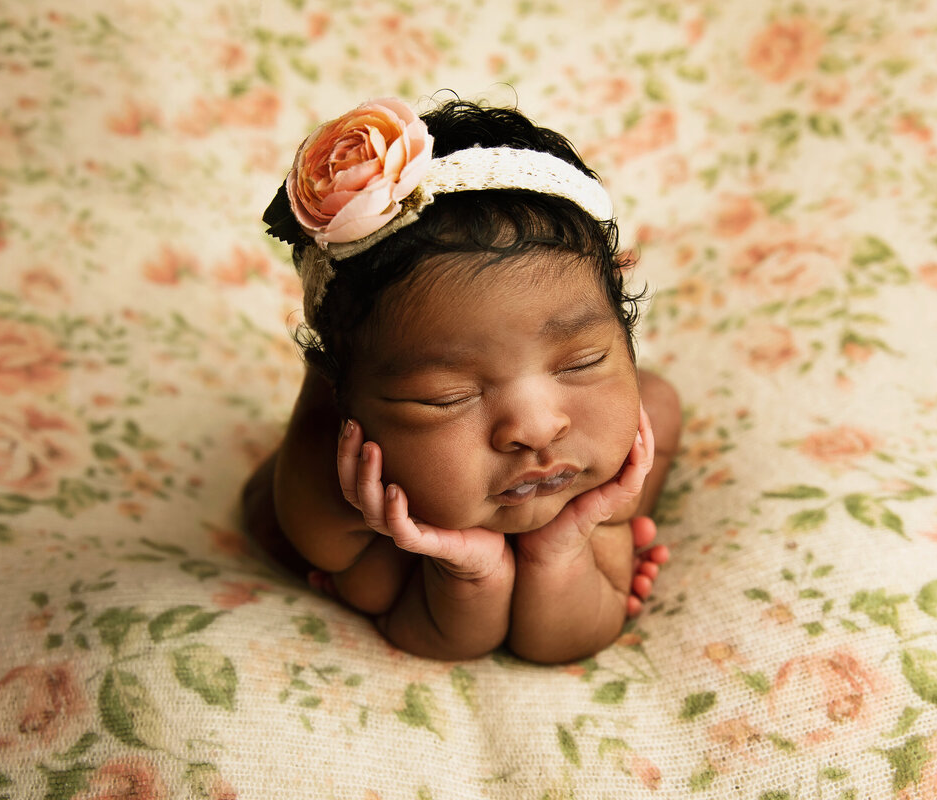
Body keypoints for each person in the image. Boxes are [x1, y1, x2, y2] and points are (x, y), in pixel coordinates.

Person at [241, 96, 681, 664]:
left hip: (550, 479)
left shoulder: (602, 447)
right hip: (390, 538)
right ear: (343, 401)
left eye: (581, 361)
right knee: (367, 580)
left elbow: (565, 641)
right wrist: (469, 570)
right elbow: (448, 640)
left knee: (660, 403)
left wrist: (564, 545)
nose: (537, 428)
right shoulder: (333, 503)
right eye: (447, 397)